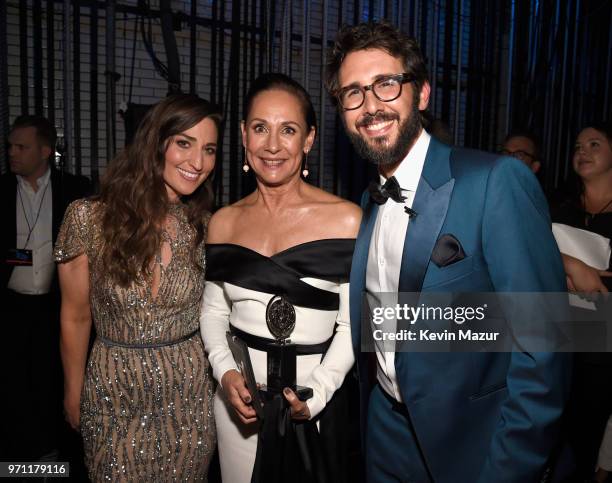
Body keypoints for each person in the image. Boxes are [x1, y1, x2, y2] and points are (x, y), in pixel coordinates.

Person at [324, 21, 570, 482]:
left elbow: (545, 345)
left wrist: (509, 468)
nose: (371, 105)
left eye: (386, 84)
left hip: (474, 448)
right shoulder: (367, 202)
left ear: (422, 94)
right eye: (352, 93)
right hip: (385, 434)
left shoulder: (495, 182)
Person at [200, 73, 361, 483]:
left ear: (308, 140)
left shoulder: (346, 221)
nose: (272, 146)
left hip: (317, 405)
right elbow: (214, 315)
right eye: (260, 128)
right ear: (243, 135)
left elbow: (352, 323)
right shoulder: (222, 223)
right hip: (240, 406)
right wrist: (227, 375)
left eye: (287, 130)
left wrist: (319, 393)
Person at [54, 94, 220, 481]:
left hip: (189, 395)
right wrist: (72, 390)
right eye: (184, 143)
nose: (198, 162)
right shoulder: (88, 218)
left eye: (209, 149)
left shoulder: (208, 227)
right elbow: (75, 316)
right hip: (114, 391)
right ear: (155, 143)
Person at [1, 115, 90, 462]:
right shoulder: (3, 190)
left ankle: (56, 456)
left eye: (21, 146)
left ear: (45, 151)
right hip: (10, 307)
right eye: (9, 146)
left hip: (58, 308)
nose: (12, 152)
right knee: (12, 385)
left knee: (53, 382)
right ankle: (19, 457)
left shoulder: (75, 190)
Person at [550, 122, 612, 480]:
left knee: (586, 440)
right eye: (577, 146)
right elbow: (528, 251)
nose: (582, 151)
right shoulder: (558, 205)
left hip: (600, 350)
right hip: (553, 333)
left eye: (594, 144)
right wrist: (569, 265)